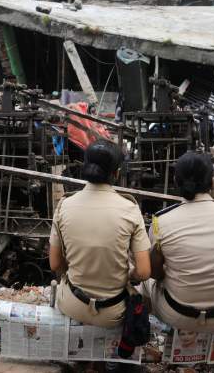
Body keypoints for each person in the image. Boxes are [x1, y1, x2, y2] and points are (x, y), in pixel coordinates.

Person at [140, 152, 214, 333]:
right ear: (212, 181)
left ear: (176, 181)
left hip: (176, 314)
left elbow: (156, 273)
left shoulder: (161, 222)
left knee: (143, 281)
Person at [50, 140, 151, 327]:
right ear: (116, 173)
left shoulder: (64, 205)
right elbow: (144, 272)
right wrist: (129, 275)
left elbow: (55, 263)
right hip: (114, 313)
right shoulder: (129, 208)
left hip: (73, 305)